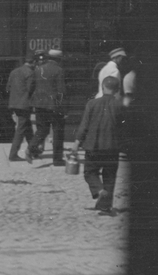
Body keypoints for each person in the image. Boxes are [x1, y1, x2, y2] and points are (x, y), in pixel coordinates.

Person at [74, 74, 126, 215]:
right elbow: (124, 128)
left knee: (89, 172)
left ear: (102, 87)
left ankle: (98, 189)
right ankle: (105, 206)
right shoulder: (120, 106)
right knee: (110, 177)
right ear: (117, 90)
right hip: (112, 147)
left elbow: (84, 125)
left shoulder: (92, 104)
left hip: (93, 146)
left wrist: (77, 142)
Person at [28, 48, 67, 166]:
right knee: (58, 132)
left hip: (39, 104)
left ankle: (31, 147)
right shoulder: (59, 70)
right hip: (54, 105)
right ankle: (57, 159)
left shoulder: (38, 69)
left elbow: (31, 87)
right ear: (58, 59)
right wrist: (63, 108)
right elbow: (61, 91)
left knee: (42, 129)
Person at [6, 52, 37, 161]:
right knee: (21, 129)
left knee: (27, 127)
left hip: (14, 103)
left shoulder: (14, 71)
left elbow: (8, 88)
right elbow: (30, 89)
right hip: (24, 104)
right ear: (33, 62)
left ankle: (34, 151)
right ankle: (13, 154)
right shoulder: (30, 73)